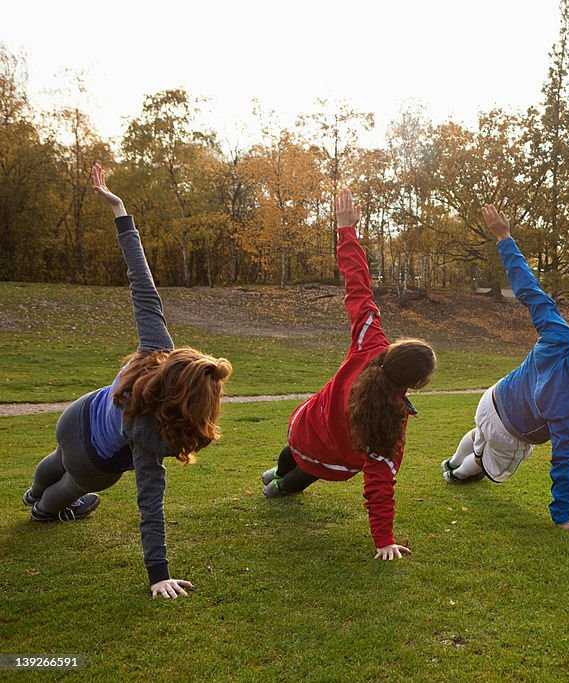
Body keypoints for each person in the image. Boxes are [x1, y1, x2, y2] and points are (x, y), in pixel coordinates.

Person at [23, 164, 233, 599]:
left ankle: (32, 492)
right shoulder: (152, 432)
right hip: (94, 464)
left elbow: (143, 284)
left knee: (57, 456)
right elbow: (149, 504)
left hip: (74, 417)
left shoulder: (155, 348)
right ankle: (43, 510)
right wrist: (159, 574)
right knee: (72, 487)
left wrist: (121, 212)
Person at [261, 189, 436, 561]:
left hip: (303, 428)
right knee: (296, 477)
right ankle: (276, 484)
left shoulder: (370, 341)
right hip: (325, 459)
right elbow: (380, 482)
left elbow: (358, 287)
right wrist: (383, 539)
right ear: (415, 385)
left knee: (293, 450)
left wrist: (346, 231)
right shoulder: (392, 422)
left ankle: (275, 474)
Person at [442, 205, 569, 533]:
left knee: (480, 434)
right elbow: (564, 461)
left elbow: (528, 288)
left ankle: (452, 460)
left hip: (491, 399)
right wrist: (563, 516)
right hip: (510, 432)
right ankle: (453, 474)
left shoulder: (559, 333)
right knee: (484, 465)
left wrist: (504, 236)